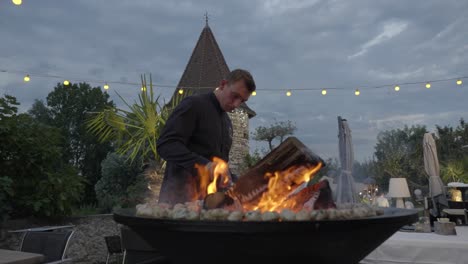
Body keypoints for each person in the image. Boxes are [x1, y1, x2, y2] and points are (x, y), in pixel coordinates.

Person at [156, 69, 256, 205]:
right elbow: (166, 145)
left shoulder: (227, 121)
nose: (236, 104)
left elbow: (219, 166)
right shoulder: (193, 105)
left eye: (242, 101)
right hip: (178, 202)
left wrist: (238, 181)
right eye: (234, 96)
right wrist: (205, 165)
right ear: (222, 85)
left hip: (208, 205)